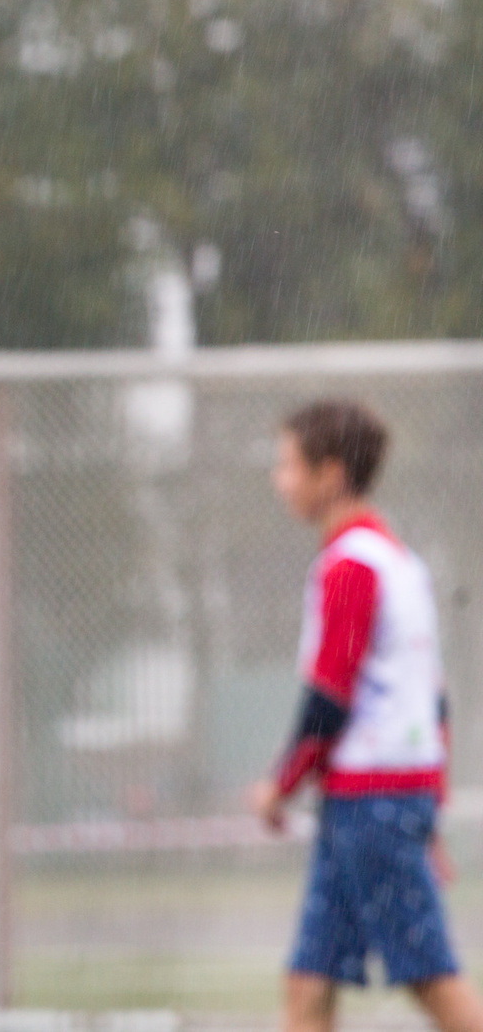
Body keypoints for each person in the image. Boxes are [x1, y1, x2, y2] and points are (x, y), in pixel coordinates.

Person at [247, 400, 481, 1032]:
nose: (280, 479)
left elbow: (331, 693)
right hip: (382, 797)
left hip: (370, 801)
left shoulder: (351, 566)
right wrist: (429, 807)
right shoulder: (399, 561)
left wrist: (280, 784)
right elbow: (434, 701)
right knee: (310, 982)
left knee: (430, 977)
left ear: (330, 475)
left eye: (288, 464)